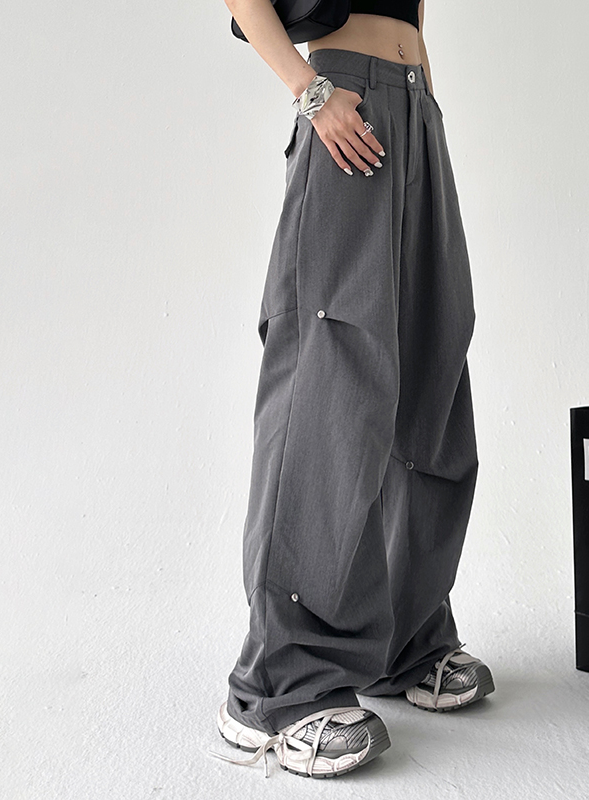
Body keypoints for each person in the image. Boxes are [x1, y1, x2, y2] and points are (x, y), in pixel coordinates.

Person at [207, 0, 494, 779]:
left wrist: (424, 97)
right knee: (330, 378)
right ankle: (277, 687)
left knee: (433, 357)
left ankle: (405, 640)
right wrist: (310, 91)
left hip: (415, 107)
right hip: (345, 100)